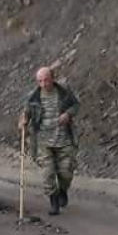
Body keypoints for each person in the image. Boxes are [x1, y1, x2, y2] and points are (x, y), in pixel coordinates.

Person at [18, 67, 80, 216]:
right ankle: (54, 202)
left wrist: (68, 114)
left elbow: (76, 105)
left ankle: (63, 191)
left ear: (53, 78)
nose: (44, 84)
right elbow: (25, 113)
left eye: (46, 80)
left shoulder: (64, 92)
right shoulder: (33, 97)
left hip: (64, 140)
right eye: (40, 81)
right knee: (47, 174)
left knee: (66, 172)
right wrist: (23, 120)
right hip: (43, 142)